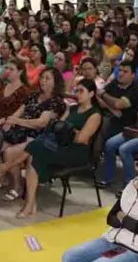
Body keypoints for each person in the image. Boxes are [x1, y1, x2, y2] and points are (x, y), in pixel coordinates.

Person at [15, 79, 102, 218]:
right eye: (76, 91)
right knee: (34, 154)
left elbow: (81, 139)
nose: (77, 94)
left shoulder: (95, 115)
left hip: (77, 152)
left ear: (91, 93)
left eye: (81, 91)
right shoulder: (72, 108)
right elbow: (57, 127)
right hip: (61, 145)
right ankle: (30, 202)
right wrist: (69, 131)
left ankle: (7, 168)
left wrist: (68, 131)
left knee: (36, 147)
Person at [0, 68, 67, 201]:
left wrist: (18, 121)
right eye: (42, 77)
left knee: (9, 152)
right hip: (20, 132)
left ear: (56, 82)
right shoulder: (33, 95)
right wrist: (10, 120)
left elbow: (41, 123)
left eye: (47, 78)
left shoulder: (57, 102)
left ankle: (17, 186)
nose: (43, 81)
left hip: (39, 137)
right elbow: (19, 111)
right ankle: (4, 179)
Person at [96, 61, 138, 138]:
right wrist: (111, 108)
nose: (120, 74)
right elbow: (98, 94)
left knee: (102, 124)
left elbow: (117, 104)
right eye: (120, 70)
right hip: (108, 115)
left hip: (122, 125)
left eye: (125, 72)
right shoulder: (115, 82)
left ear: (133, 75)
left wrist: (104, 97)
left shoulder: (135, 91)